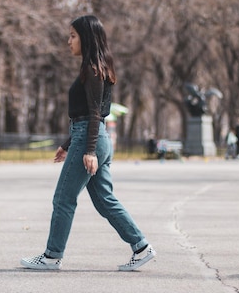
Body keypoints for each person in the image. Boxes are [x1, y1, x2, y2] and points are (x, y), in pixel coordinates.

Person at [20, 15, 155, 272]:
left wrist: (88, 150)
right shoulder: (98, 67)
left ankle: (51, 256)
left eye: (73, 36)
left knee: (63, 198)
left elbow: (94, 113)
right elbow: (91, 114)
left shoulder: (92, 69)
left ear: (86, 38)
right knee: (104, 199)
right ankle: (141, 247)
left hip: (90, 140)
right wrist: (69, 143)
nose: (68, 41)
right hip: (91, 137)